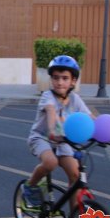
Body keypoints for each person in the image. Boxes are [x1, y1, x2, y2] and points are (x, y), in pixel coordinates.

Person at [21, 55, 92, 209]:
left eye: (65, 78)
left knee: (75, 174)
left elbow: (90, 117)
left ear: (73, 81)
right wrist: (53, 131)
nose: (60, 82)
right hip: (42, 138)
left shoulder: (75, 99)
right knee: (50, 162)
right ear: (51, 79)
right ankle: (30, 186)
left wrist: (102, 132)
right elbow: (51, 112)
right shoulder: (48, 96)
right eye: (56, 78)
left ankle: (75, 216)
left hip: (64, 141)